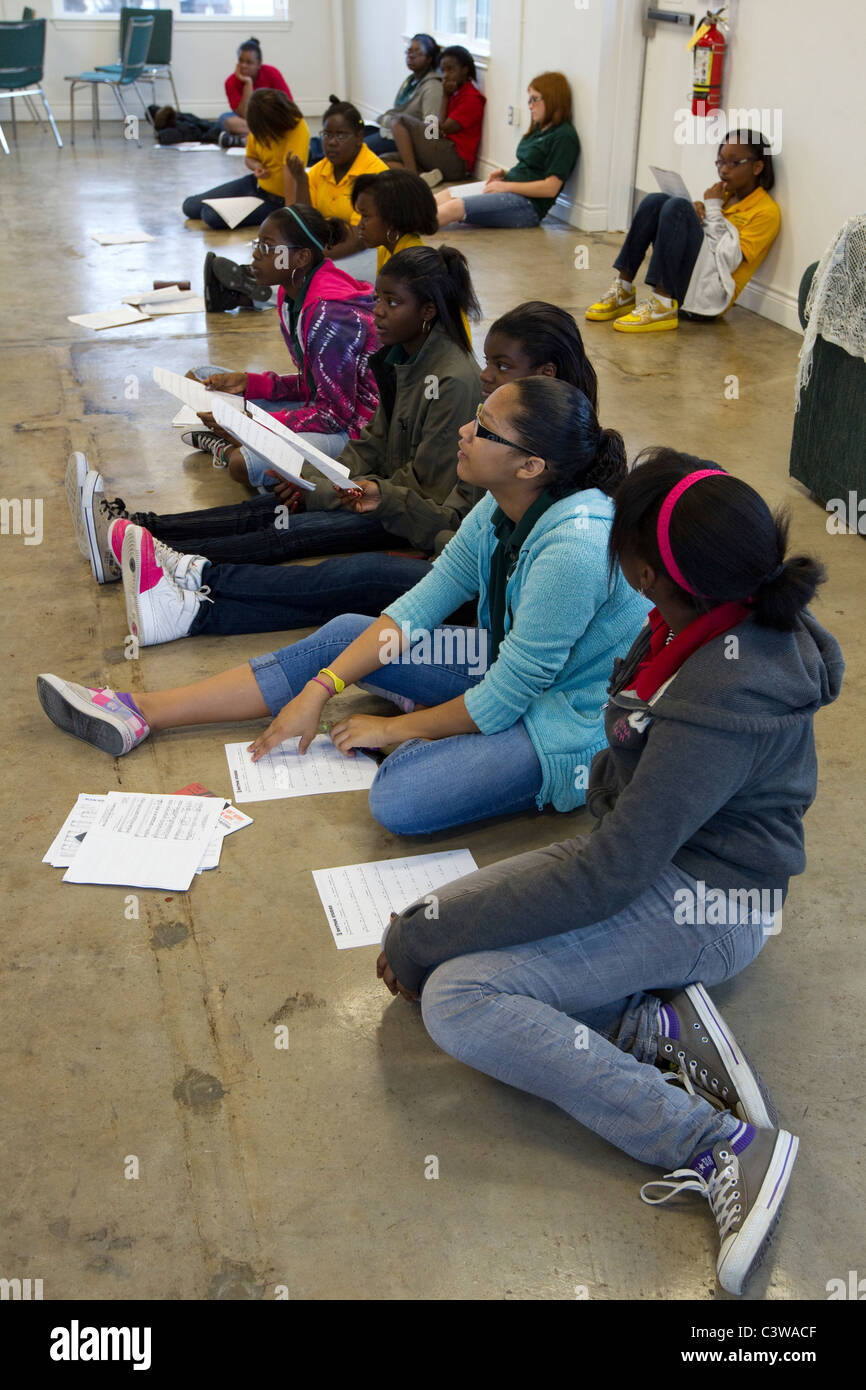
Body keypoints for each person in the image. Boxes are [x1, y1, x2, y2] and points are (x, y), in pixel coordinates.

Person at [376, 451, 843, 1296]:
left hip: (705, 899)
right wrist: (421, 933)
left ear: (639, 568)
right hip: (643, 855)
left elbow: (609, 876)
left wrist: (426, 944)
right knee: (423, 929)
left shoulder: (728, 688)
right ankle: (646, 1026)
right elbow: (617, 841)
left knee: (458, 996)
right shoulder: (690, 618)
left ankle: (716, 1142)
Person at [39, 379, 649, 843]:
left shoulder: (574, 544)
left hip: (570, 716)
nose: (466, 430)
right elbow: (419, 605)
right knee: (349, 634)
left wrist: (391, 729)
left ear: (531, 466)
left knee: (401, 798)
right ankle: (140, 712)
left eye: (484, 428)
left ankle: (438, 736)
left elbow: (507, 699)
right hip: (504, 667)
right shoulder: (499, 507)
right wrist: (321, 686)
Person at [70, 302, 601, 640]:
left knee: (344, 575)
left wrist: (380, 498)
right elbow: (399, 467)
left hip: (458, 567)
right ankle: (153, 545)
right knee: (298, 530)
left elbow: (449, 526)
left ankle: (191, 580)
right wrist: (339, 484)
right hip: (423, 527)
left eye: (501, 367)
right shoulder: (425, 374)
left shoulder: (534, 438)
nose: (485, 376)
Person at [75, 246, 481, 587]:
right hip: (375, 492)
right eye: (378, 298)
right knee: (270, 506)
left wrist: (322, 492)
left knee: (284, 531)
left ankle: (138, 561)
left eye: (393, 303)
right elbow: (369, 443)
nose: (377, 312)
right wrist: (317, 480)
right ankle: (137, 527)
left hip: (400, 512)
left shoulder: (452, 380)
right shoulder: (400, 357)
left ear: (427, 310)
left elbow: (427, 486)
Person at [183, 206, 379, 490]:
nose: (256, 255)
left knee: (244, 463)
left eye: (268, 247)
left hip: (355, 432)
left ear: (300, 257)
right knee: (199, 379)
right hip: (323, 408)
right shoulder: (290, 294)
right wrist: (251, 383)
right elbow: (312, 385)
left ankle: (226, 449)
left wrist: (253, 422)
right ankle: (233, 437)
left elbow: (335, 414)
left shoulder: (328, 314)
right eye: (257, 245)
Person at [586, 130, 781, 332]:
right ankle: (623, 288)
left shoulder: (766, 212)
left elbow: (727, 260)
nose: (723, 170)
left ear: (758, 166)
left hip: (707, 300)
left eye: (733, 163)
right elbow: (707, 241)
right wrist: (698, 213)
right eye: (720, 161)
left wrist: (711, 208)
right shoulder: (725, 195)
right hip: (693, 281)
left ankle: (662, 303)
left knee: (678, 207)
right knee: (656, 201)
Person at [435, 72, 579, 231]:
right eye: (529, 100)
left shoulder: (564, 136)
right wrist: (505, 174)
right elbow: (531, 168)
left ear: (553, 99)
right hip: (509, 187)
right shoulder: (540, 128)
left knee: (453, 208)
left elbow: (550, 188)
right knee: (444, 196)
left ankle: (407, 233)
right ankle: (404, 221)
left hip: (527, 206)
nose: (530, 105)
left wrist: (506, 187)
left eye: (535, 99)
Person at [182, 90, 310, 231]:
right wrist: (257, 166)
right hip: (255, 185)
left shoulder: (297, 127)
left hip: (276, 201)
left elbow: (290, 174)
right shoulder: (260, 126)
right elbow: (249, 158)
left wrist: (288, 216)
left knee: (210, 215)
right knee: (190, 206)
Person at [285, 102, 389, 261]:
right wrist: (301, 181)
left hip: (365, 254)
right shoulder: (319, 170)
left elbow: (360, 239)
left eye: (340, 135)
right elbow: (303, 223)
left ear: (359, 137)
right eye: (327, 135)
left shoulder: (374, 174)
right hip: (328, 248)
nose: (332, 142)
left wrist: (317, 258)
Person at [389, 46, 485, 189]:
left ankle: (413, 178)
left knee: (399, 121)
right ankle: (421, 176)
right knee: (384, 160)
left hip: (456, 161)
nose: (445, 75)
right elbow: (435, 131)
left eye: (450, 70)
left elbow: (442, 129)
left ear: (465, 70)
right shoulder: (456, 93)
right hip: (441, 151)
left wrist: (445, 96)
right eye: (443, 71)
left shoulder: (471, 98)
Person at [365, 34, 443, 156]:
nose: (411, 56)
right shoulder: (411, 81)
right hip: (388, 129)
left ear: (429, 58)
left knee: (358, 149)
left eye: (417, 52)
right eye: (409, 51)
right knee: (353, 135)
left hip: (404, 140)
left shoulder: (433, 86)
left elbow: (430, 131)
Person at [217, 37, 294, 142]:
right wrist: (248, 83)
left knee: (287, 122)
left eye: (249, 62)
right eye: (241, 61)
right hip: (247, 121)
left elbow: (289, 105)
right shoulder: (230, 81)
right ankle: (264, 136)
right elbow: (244, 114)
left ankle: (245, 139)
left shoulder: (272, 73)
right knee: (224, 119)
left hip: (270, 118)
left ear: (258, 64)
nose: (243, 66)